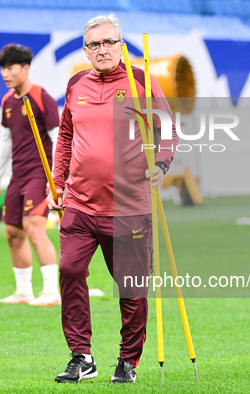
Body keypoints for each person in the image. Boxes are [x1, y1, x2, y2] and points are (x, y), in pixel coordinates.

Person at [49, 15, 177, 384]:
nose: (102, 50)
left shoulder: (141, 81)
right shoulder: (76, 84)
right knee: (70, 271)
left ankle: (128, 360)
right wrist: (57, 182)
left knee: (131, 287)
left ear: (120, 45)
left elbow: (166, 129)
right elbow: (67, 137)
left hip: (129, 207)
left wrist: (162, 163)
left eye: (109, 42)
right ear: (86, 50)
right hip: (79, 203)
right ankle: (81, 356)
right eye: (94, 44)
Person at [0, 44, 61, 307]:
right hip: (17, 177)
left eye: (10, 68)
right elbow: (6, 141)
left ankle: (52, 292)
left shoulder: (43, 98)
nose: (5, 74)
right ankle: (23, 292)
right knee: (13, 232)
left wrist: (57, 179)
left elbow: (59, 139)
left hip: (41, 176)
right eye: (2, 69)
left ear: (26, 68)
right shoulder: (7, 101)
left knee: (34, 227)